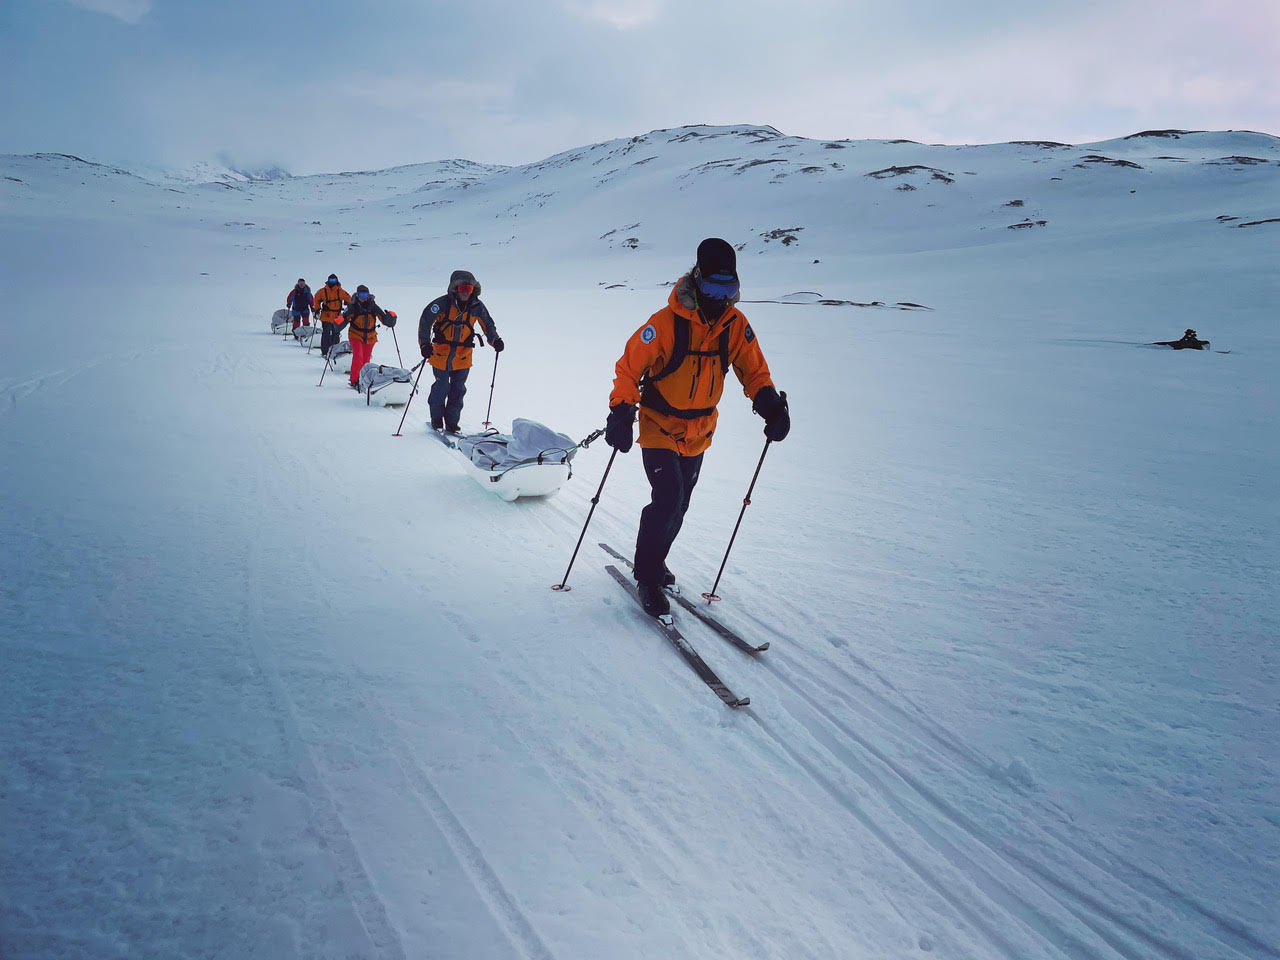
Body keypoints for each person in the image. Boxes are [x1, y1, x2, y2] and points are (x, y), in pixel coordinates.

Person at [605, 238, 790, 616]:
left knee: (681, 505)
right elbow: (628, 369)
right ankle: (648, 576)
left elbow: (753, 370)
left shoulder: (735, 325)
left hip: (700, 430)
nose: (720, 297)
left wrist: (769, 404)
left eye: (729, 289)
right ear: (697, 279)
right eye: (712, 288)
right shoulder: (665, 323)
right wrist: (621, 411)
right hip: (658, 425)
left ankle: (657, 560)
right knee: (669, 498)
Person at [417, 270, 504, 432]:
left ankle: (452, 423)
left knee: (458, 390)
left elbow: (488, 325)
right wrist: (425, 344)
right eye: (463, 288)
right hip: (440, 354)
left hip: (463, 356)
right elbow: (425, 322)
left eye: (469, 289)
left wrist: (495, 340)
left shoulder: (477, 306)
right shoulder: (441, 304)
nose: (465, 293)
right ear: (455, 289)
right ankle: (436, 419)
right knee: (441, 387)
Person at [337, 285, 394, 389]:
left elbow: (383, 318)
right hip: (355, 335)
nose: (363, 297)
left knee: (366, 359)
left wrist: (390, 319)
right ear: (357, 295)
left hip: (370, 336)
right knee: (358, 356)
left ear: (369, 295)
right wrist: (338, 323)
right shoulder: (352, 306)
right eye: (361, 295)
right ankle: (354, 380)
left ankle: (364, 379)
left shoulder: (373, 306)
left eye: (365, 295)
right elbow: (344, 318)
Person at [312, 274, 351, 357]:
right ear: (328, 281)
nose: (332, 282)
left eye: (334, 280)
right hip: (326, 315)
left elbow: (349, 299)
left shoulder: (341, 291)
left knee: (336, 333)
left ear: (337, 281)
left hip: (337, 316)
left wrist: (348, 305)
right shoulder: (322, 291)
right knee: (326, 333)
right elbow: (316, 299)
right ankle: (325, 352)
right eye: (331, 280)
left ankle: (335, 351)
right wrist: (317, 309)